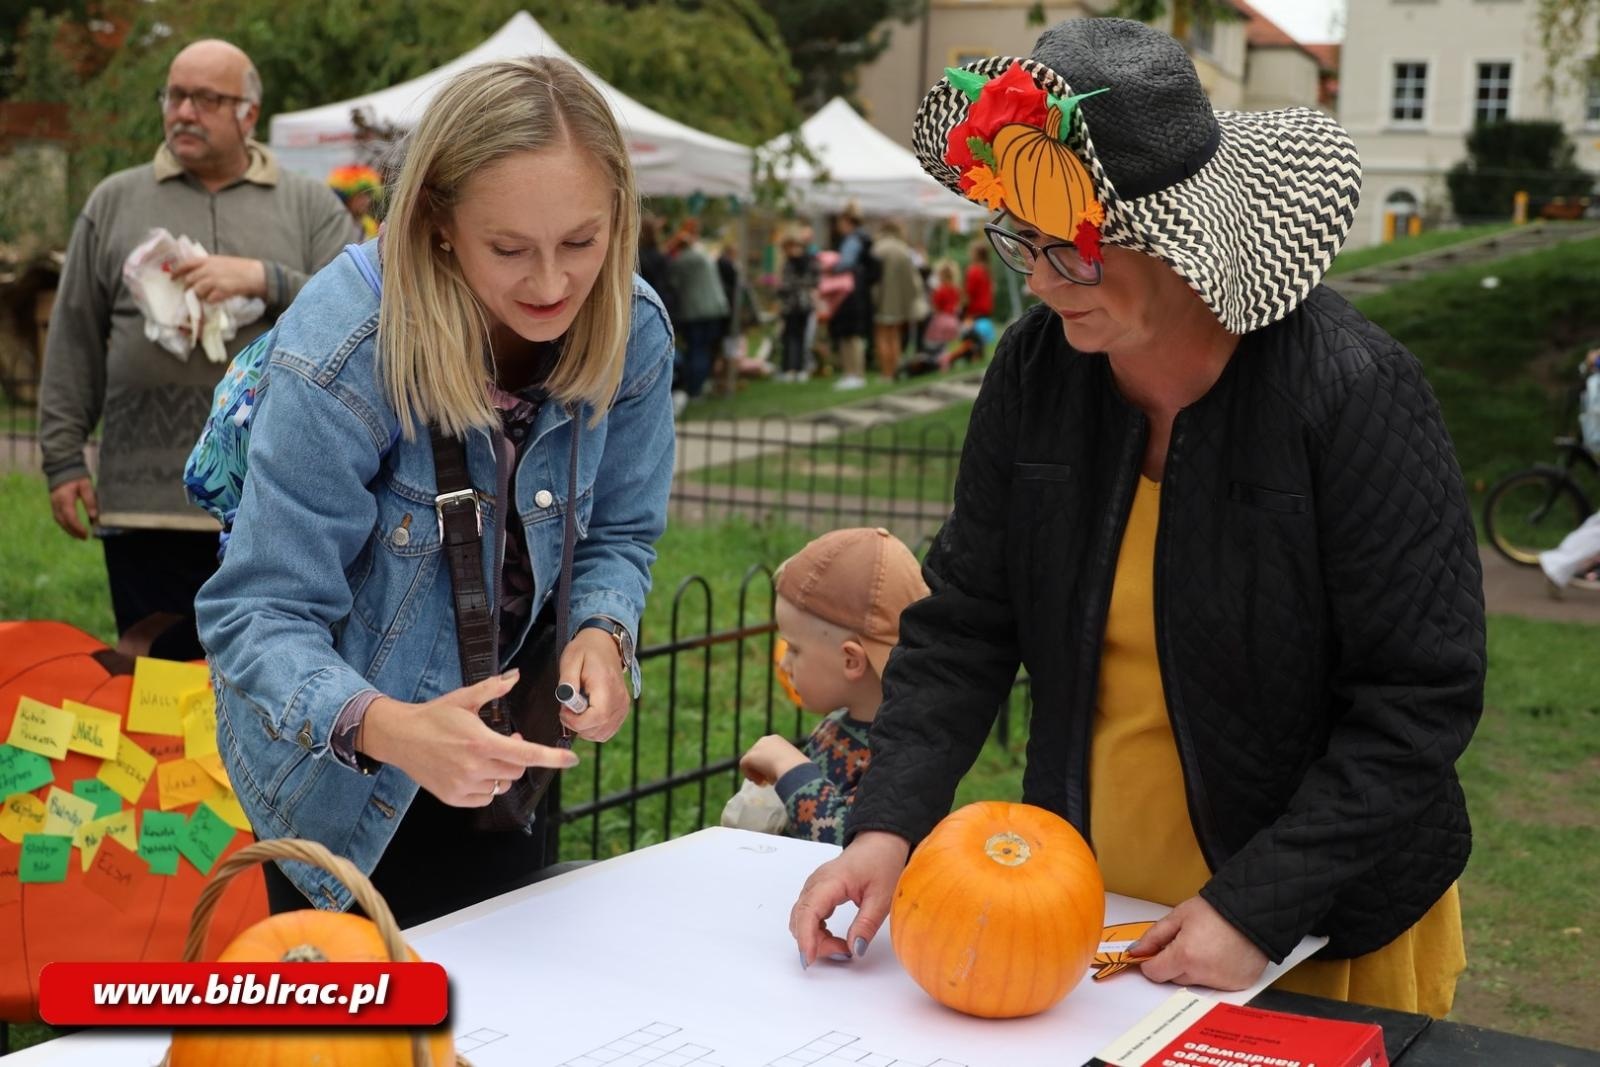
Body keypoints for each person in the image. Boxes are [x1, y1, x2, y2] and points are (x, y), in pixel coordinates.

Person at [789, 18, 1485, 1020]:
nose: (1033, 279)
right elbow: (966, 625)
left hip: (1314, 917)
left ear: (1179, 236)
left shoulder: (1348, 390)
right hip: (1088, 898)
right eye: (1017, 240)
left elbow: (1419, 695)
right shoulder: (1035, 374)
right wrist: (884, 825)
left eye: (1064, 250)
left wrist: (1255, 903)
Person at [194, 56, 676, 926]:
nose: (551, 285)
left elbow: (622, 533)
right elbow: (256, 614)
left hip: (506, 753)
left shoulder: (631, 328)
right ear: (440, 222)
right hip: (340, 777)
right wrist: (392, 728)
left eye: (581, 241)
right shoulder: (348, 348)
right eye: (509, 249)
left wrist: (603, 632)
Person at [37, 39, 355, 661]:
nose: (183, 111)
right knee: (151, 684)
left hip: (275, 495)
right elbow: (74, 332)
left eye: (206, 98)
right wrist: (62, 460)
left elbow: (361, 313)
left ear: (248, 113)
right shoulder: (115, 200)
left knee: (261, 677)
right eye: (174, 95)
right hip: (144, 501)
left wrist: (266, 280)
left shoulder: (308, 205)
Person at [734, 528, 928, 845]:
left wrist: (789, 768)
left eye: (794, 649)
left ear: (851, 660)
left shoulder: (899, 750)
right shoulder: (840, 725)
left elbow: (850, 844)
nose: (784, 664)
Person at [667, 219, 730, 400]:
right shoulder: (703, 256)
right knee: (705, 348)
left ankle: (694, 389)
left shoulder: (680, 262)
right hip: (715, 308)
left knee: (696, 349)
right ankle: (701, 385)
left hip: (694, 311)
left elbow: (673, 284)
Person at [826, 206, 874, 390]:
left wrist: (830, 265)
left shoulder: (853, 240)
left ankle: (855, 374)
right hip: (856, 290)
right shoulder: (861, 238)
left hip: (851, 292)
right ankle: (852, 374)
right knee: (849, 334)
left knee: (850, 334)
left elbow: (845, 263)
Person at [869, 220, 923, 381]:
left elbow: (871, 277)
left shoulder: (877, 248)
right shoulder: (903, 250)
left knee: (881, 335)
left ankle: (886, 373)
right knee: (894, 335)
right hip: (899, 300)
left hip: (881, 298)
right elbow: (912, 280)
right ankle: (895, 372)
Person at [775, 228, 820, 382]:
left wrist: (782, 288)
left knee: (797, 337)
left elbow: (808, 282)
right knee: (790, 337)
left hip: (799, 305)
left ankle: (796, 368)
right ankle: (791, 367)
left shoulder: (803, 261)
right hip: (794, 305)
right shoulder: (799, 261)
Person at [327, 163, 382, 238]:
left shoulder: (371, 228)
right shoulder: (333, 227)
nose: (367, 200)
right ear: (347, 198)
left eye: (368, 195)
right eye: (361, 196)